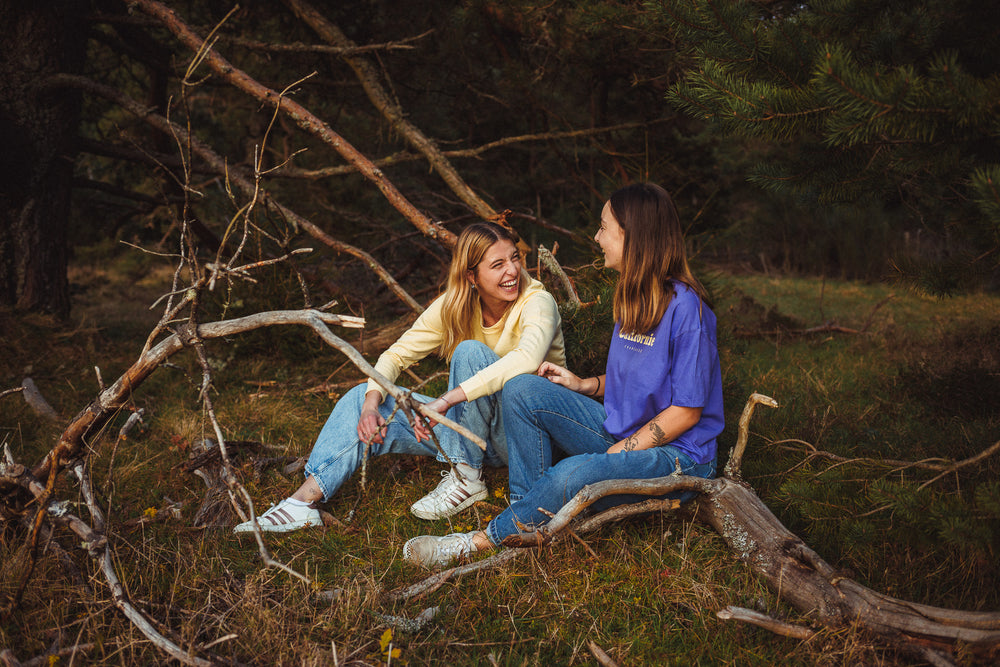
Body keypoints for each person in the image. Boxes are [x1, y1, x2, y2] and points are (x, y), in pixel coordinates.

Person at [402, 182, 723, 567]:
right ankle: (526, 516)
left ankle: (479, 542)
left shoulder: (689, 312)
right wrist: (588, 385)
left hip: (678, 455)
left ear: (633, 236)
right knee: (522, 387)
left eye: (604, 228)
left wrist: (618, 455)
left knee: (573, 473)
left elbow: (686, 412)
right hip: (621, 428)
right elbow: (643, 381)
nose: (596, 237)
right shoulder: (634, 295)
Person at [234, 221, 565, 533]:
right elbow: (395, 355)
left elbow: (527, 358)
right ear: (471, 276)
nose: (512, 271)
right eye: (498, 265)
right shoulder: (455, 305)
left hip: (522, 439)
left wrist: (446, 400)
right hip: (473, 432)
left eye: (515, 259)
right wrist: (370, 406)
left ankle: (466, 479)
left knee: (469, 353)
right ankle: (302, 503)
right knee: (361, 397)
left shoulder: (538, 302)